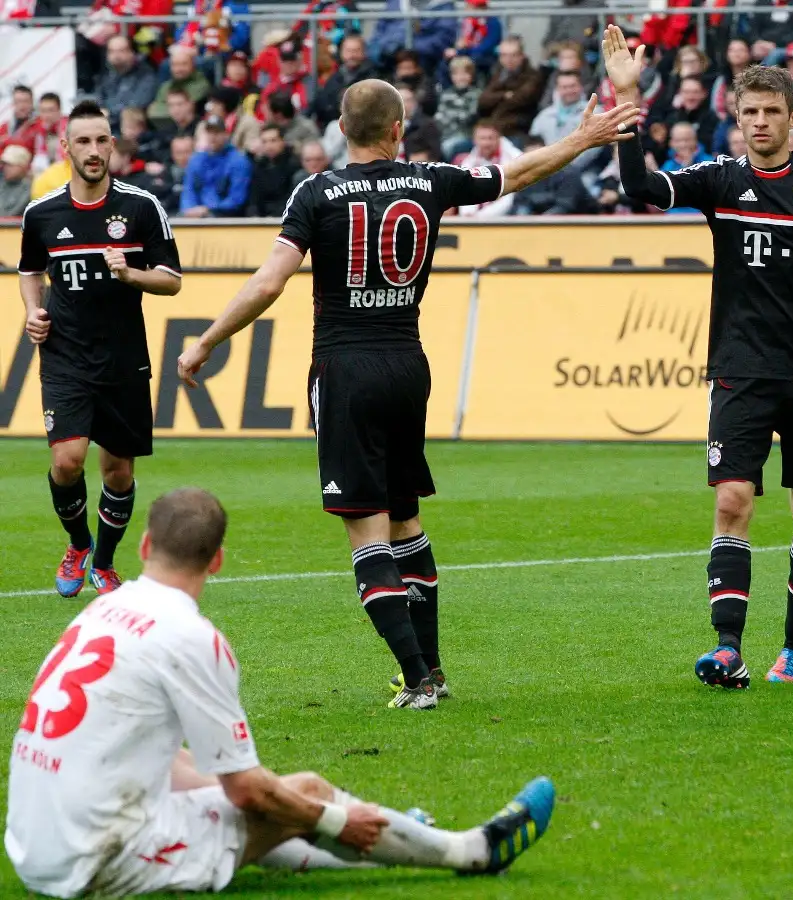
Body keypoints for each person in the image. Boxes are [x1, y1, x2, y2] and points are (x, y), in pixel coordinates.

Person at [175, 80, 638, 708]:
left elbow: (268, 284)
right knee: (405, 521)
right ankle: (434, 671)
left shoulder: (316, 193)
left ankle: (418, 678)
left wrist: (206, 340)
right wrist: (583, 138)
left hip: (345, 369)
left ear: (342, 129)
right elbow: (514, 174)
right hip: (407, 364)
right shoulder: (428, 181)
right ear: (399, 128)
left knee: (366, 533)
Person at [4, 487, 558, 898]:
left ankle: (399, 839)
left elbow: (159, 757)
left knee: (271, 806)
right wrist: (333, 820)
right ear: (216, 560)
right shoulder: (192, 636)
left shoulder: (100, 612)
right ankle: (472, 851)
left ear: (145, 544)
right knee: (301, 793)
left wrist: (291, 808)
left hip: (36, 849)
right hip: (92, 863)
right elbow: (248, 793)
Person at [604, 25, 793, 688]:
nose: (761, 123)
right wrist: (627, 99)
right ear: (735, 119)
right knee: (733, 499)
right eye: (750, 113)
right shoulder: (718, 180)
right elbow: (641, 188)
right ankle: (728, 647)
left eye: (772, 112)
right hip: (740, 368)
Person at [17, 101, 182, 599]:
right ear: (65, 147)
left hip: (123, 357)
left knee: (119, 470)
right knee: (67, 460)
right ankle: (78, 544)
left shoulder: (141, 207)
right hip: (65, 356)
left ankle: (105, 563)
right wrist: (32, 309)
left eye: (102, 140)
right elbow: (29, 270)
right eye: (83, 141)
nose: (93, 151)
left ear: (114, 144)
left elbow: (172, 281)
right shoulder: (42, 214)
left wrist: (130, 273)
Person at [181, 118, 252, 217]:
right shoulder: (196, 159)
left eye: (217, 133)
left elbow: (236, 198)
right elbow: (189, 190)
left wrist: (208, 209)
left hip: (227, 217)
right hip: (197, 215)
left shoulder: (238, 160)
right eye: (209, 133)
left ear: (226, 135)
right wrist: (189, 209)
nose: (212, 137)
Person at [476, 36, 543, 137]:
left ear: (522, 56)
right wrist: (504, 95)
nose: (508, 59)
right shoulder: (497, 73)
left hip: (517, 129)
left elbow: (520, 99)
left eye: (513, 55)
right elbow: (483, 100)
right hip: (493, 128)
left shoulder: (533, 76)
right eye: (504, 55)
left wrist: (495, 97)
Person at [248, 124, 299, 215]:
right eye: (264, 142)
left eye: (273, 141)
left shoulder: (294, 165)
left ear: (282, 141)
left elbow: (293, 200)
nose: (269, 146)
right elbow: (254, 199)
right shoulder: (259, 166)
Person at [0, 144, 33, 215]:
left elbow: (10, 214)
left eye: (10, 165)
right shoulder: (2, 182)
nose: (5, 168)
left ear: (23, 166)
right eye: (4, 164)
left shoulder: (30, 187)